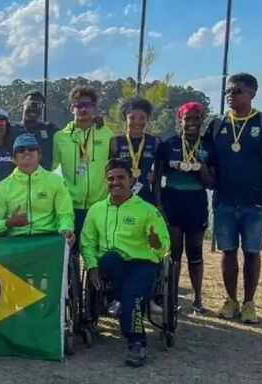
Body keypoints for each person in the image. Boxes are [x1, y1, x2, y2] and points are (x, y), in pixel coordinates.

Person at [205, 72, 262, 323]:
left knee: (251, 252)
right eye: (228, 91)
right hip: (225, 200)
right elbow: (207, 160)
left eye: (236, 91)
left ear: (252, 93)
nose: (230, 95)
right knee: (228, 252)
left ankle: (249, 303)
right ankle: (231, 300)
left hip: (255, 202)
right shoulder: (217, 125)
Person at [81, 158, 170, 368]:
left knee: (133, 294)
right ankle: (124, 303)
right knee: (111, 257)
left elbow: (165, 248)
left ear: (131, 180)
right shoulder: (96, 210)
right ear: (106, 182)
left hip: (142, 263)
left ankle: (137, 343)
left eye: (121, 178)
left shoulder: (147, 210)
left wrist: (157, 244)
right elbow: (87, 242)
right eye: (111, 179)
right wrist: (92, 267)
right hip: (111, 266)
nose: (116, 182)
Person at [155, 102, 215, 313]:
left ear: (201, 121)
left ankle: (198, 301)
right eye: (187, 118)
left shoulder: (208, 145)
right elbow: (157, 179)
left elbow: (212, 183)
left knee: (195, 253)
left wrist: (201, 168)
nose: (191, 123)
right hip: (172, 200)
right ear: (179, 121)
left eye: (195, 118)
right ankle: (171, 299)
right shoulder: (168, 144)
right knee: (174, 254)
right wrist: (159, 205)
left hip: (196, 202)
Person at [52, 85, 115, 245]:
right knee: (70, 257)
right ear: (71, 108)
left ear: (94, 108)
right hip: (70, 207)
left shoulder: (106, 133)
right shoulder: (60, 137)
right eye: (79, 105)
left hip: (100, 206)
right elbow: (51, 170)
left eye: (87, 105)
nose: (83, 109)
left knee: (96, 256)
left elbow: (117, 163)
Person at [0, 133, 74, 245]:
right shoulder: (2, 187)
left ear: (39, 155)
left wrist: (66, 229)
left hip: (48, 240)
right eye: (21, 149)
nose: (27, 152)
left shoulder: (56, 181)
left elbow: (65, 214)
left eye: (32, 148)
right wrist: (8, 223)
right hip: (16, 242)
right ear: (13, 158)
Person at [109, 97, 161, 205]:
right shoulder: (115, 142)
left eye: (142, 118)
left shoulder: (155, 142)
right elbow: (108, 172)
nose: (137, 122)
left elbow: (159, 174)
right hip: (121, 200)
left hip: (146, 200)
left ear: (148, 120)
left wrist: (155, 175)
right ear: (125, 119)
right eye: (132, 118)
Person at [11, 91, 58, 171]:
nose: (34, 108)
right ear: (22, 106)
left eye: (39, 105)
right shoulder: (11, 130)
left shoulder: (50, 129)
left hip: (43, 181)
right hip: (18, 181)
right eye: (30, 104)